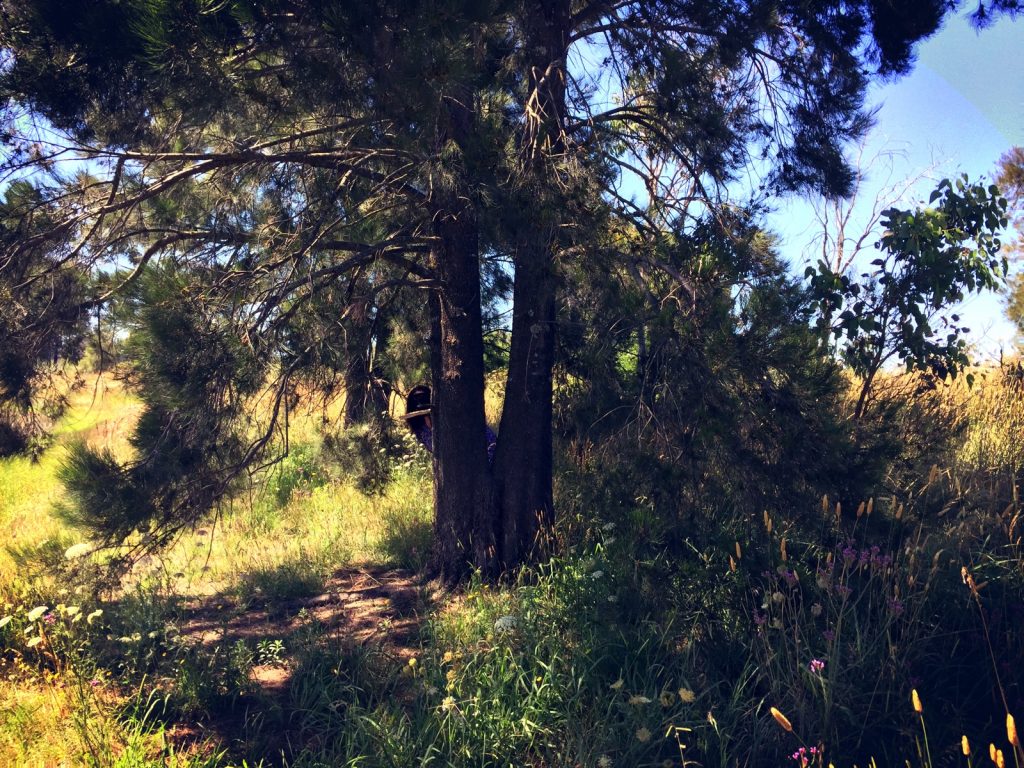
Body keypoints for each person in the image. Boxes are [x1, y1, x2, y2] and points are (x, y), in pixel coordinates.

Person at [402, 384, 497, 466]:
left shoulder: (449, 417)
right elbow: (439, 450)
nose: (420, 401)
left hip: (487, 453)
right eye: (416, 398)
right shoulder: (420, 429)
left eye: (423, 397)